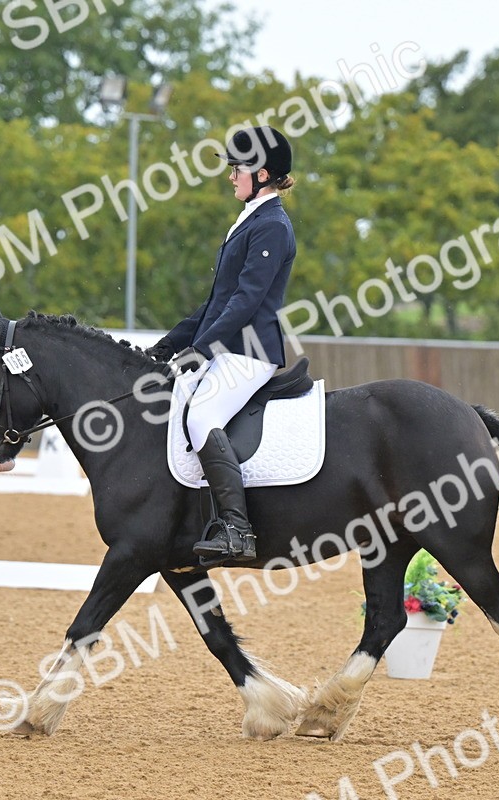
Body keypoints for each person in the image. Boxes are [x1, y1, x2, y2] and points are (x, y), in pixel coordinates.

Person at [146, 126, 297, 564]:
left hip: (250, 351)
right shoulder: (249, 221)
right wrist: (169, 344)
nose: (231, 176)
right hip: (229, 346)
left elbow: (246, 302)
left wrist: (202, 349)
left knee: (203, 415)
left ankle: (236, 527)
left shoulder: (272, 226)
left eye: (238, 169)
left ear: (263, 174)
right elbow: (216, 302)